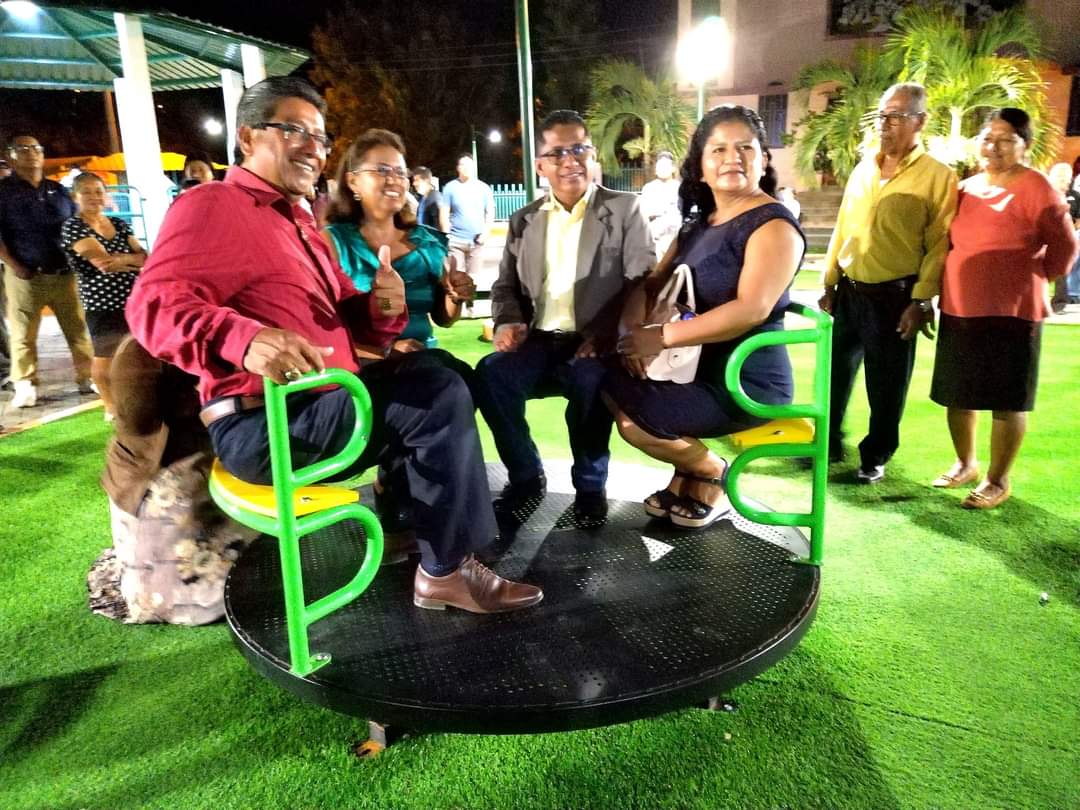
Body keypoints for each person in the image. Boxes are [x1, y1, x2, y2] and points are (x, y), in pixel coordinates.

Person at [125, 76, 541, 614]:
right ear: (248, 138)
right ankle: (447, 570)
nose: (312, 147)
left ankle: (408, 525)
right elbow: (151, 307)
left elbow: (349, 324)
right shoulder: (213, 204)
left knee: (445, 369)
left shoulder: (298, 223)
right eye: (293, 130)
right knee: (433, 391)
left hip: (322, 404)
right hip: (266, 424)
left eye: (320, 137)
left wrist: (380, 308)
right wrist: (243, 338)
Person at [604, 105, 804, 528]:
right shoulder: (698, 225)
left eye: (745, 148)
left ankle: (711, 472)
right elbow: (651, 285)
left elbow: (751, 309)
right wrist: (633, 332)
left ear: (763, 158)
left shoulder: (773, 225)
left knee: (635, 421)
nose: (732, 158)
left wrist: (661, 336)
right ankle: (688, 472)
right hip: (690, 369)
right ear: (700, 166)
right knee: (597, 374)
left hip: (744, 380)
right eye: (718, 150)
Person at [473, 109, 655, 523]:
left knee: (590, 381)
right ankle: (526, 475)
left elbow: (642, 281)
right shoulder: (524, 220)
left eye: (579, 149)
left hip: (596, 341)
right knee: (491, 375)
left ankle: (590, 488)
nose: (570, 161)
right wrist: (507, 321)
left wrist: (607, 333)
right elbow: (505, 287)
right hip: (538, 341)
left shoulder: (625, 210)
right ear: (540, 165)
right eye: (557, 153)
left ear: (594, 156)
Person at [323, 129, 477, 535]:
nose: (394, 179)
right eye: (381, 170)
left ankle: (411, 497)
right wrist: (385, 351)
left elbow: (443, 319)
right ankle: (438, 526)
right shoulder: (332, 244)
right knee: (450, 381)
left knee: (460, 381)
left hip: (426, 360)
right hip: (363, 365)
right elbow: (324, 326)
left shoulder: (428, 242)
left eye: (400, 171)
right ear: (353, 181)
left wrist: (455, 296)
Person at [929, 109, 1078, 509]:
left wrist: (1029, 275)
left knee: (1007, 399)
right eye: (987, 138)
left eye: (1006, 139)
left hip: (1014, 311)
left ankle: (997, 479)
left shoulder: (1037, 188)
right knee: (958, 393)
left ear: (1024, 145)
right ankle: (965, 464)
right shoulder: (965, 189)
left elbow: (1065, 248)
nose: (993, 146)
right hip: (961, 306)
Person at [818, 83, 957, 483]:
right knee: (834, 375)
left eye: (896, 116)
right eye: (882, 116)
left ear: (920, 121)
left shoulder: (937, 177)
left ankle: (876, 454)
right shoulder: (865, 168)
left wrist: (921, 300)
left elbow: (939, 244)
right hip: (850, 291)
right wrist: (830, 282)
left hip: (895, 296)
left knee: (886, 384)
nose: (885, 124)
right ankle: (827, 443)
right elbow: (843, 226)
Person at [88, 336, 258, 624]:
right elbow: (138, 425)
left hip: (210, 447)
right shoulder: (140, 351)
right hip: (159, 465)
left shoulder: (230, 331)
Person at [0, 135, 95, 408]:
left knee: (77, 329)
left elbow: (76, 225)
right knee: (23, 334)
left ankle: (88, 377)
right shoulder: (4, 192)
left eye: (36, 148)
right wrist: (14, 264)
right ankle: (25, 383)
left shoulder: (58, 190)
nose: (32, 153)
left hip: (64, 274)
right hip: (25, 275)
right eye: (23, 149)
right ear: (11, 156)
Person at [60, 173, 146, 418]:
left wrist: (122, 260)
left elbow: (146, 258)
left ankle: (135, 398)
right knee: (105, 354)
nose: (94, 197)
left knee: (136, 350)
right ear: (75, 196)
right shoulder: (73, 226)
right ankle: (110, 405)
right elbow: (102, 263)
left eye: (98, 191)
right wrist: (131, 261)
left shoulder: (118, 223)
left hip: (133, 298)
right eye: (86, 192)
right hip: (101, 302)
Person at [439, 154, 494, 316]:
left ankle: (471, 305)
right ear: (458, 168)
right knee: (457, 276)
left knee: (474, 277)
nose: (466, 168)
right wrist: (446, 233)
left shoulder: (483, 188)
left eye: (469, 165)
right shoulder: (450, 188)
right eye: (463, 165)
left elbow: (490, 211)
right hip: (456, 240)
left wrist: (486, 231)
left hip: (477, 241)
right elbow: (444, 211)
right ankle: (457, 308)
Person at [1047, 162, 1079, 313]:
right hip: (1045, 235)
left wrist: (1071, 232)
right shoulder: (1044, 194)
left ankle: (1060, 301)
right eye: (1061, 177)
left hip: (1066, 236)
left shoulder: (1075, 196)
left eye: (1067, 178)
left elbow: (1078, 219)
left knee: (1062, 265)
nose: (1065, 181)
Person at [639, 151, 682, 259]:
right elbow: (644, 213)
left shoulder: (680, 188)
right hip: (655, 239)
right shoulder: (649, 188)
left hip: (675, 239)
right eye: (659, 166)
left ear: (673, 169)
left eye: (665, 166)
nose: (662, 169)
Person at [412, 166, 444, 231]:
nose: (414, 183)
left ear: (426, 180)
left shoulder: (435, 198)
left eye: (417, 180)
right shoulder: (422, 199)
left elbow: (443, 224)